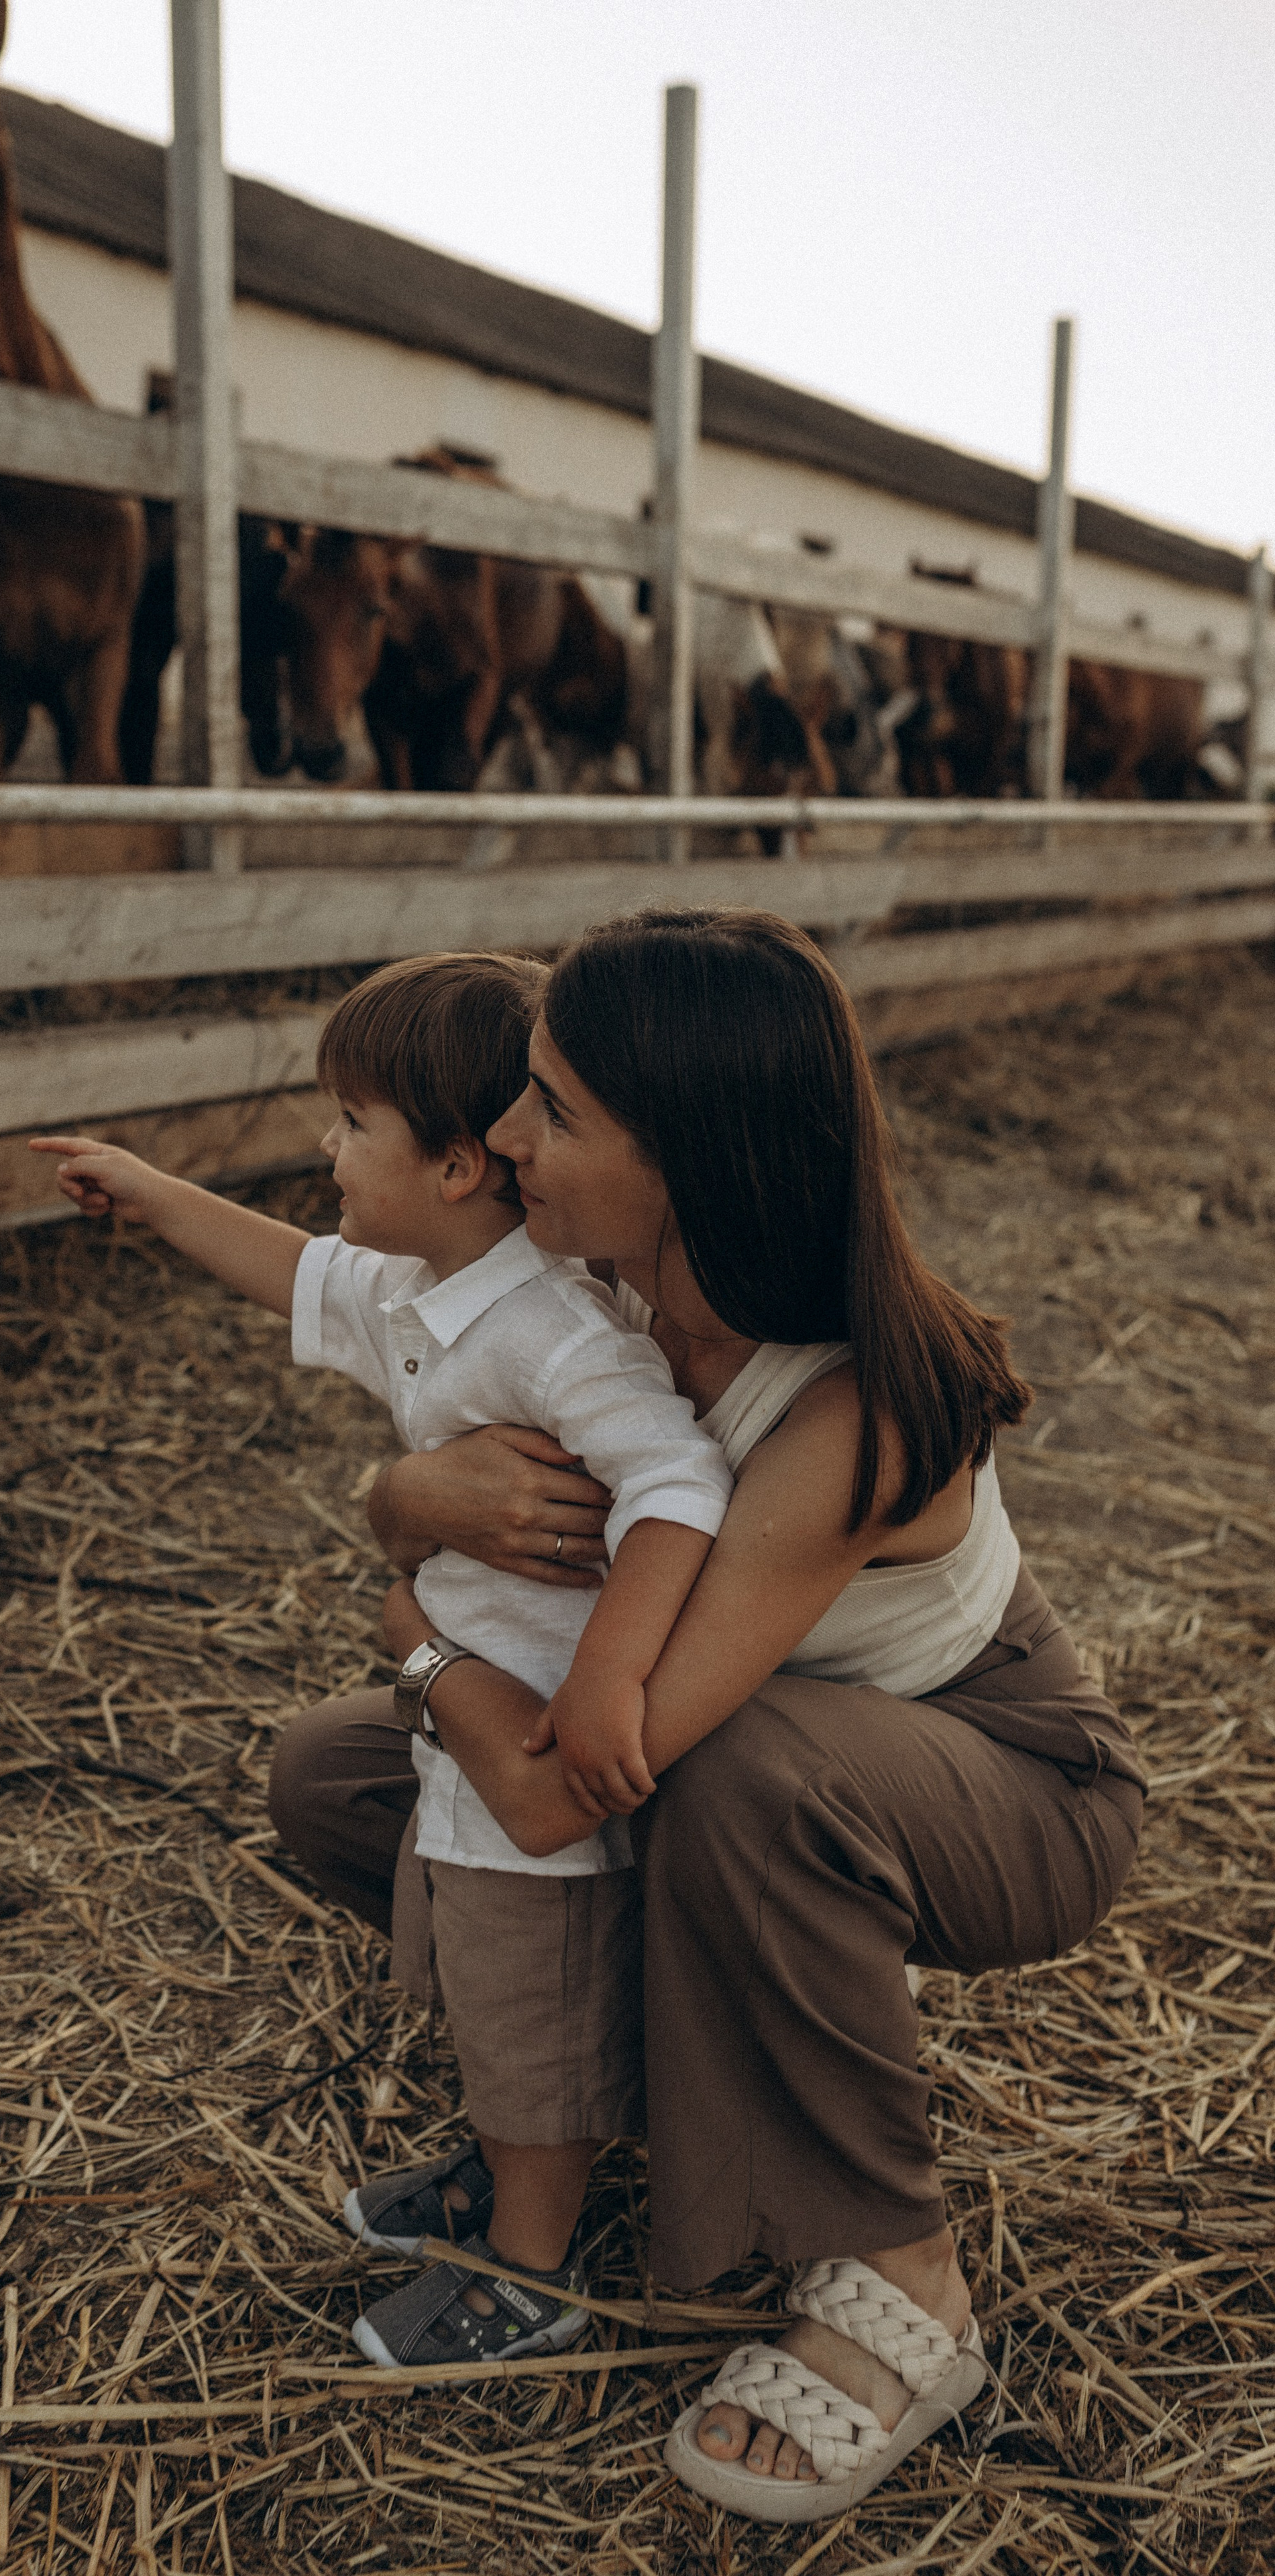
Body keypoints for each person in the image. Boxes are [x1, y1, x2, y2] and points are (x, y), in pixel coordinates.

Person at [269, 907, 1145, 2523]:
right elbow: (405, 1434)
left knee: (734, 1776)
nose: (504, 1136)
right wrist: (402, 1499)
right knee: (337, 1776)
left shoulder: (850, 1407)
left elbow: (566, 1790)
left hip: (1002, 1779)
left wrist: (418, 1640)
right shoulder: (594, 1287)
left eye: (553, 1110)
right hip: (745, 1749)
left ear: (687, 1157)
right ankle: (575, 2109)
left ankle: (903, 2277)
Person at [29, 951, 734, 2369]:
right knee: (486, 1989)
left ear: (461, 1166)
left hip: (534, 1744)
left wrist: (607, 1676)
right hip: (465, 1736)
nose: (326, 1147)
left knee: (531, 2012)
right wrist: (154, 1193)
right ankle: (503, 2176)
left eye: (353, 1124)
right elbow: (297, 1269)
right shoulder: (427, 1285)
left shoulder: (554, 1333)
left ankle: (532, 2270)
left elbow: (680, 1484)